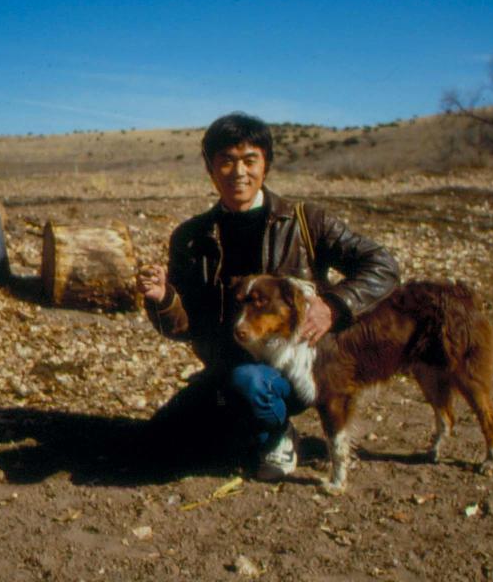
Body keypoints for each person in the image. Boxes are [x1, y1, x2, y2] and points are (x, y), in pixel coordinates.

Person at [137, 112, 399, 479]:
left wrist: (334, 305)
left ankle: (278, 435)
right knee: (158, 443)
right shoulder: (192, 237)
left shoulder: (306, 221)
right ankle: (242, 418)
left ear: (266, 164)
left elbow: (382, 264)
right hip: (227, 363)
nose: (238, 172)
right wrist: (164, 297)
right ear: (211, 168)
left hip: (297, 365)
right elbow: (185, 326)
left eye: (249, 160)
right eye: (226, 161)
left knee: (250, 385)